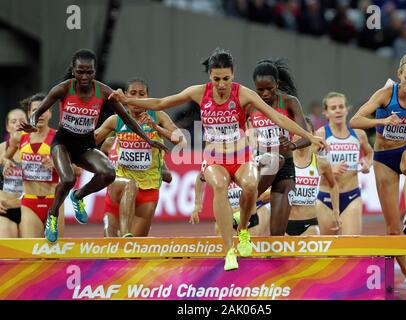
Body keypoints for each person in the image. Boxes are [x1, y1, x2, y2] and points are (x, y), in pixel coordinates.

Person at [109, 48, 327, 271]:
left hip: (241, 155)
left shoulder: (243, 94)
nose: (221, 84)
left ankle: (243, 230)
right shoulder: (198, 92)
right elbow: (161, 102)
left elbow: (278, 118)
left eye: (226, 79)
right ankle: (228, 251)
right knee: (220, 186)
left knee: (251, 185)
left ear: (233, 75)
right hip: (215, 157)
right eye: (216, 79)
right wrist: (125, 99)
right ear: (209, 77)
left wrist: (309, 136)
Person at [18, 49, 166, 243]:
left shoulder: (103, 92)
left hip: (85, 146)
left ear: (95, 71)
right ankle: (52, 216)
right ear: (73, 70)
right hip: (62, 143)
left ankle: (78, 196)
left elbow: (127, 118)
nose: (85, 76)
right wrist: (32, 121)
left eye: (89, 72)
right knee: (69, 178)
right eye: (81, 71)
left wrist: (147, 139)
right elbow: (39, 111)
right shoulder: (63, 88)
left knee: (108, 173)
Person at [349, 52, 406, 299]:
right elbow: (355, 120)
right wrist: (382, 122)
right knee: (392, 230)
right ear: (400, 75)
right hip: (384, 158)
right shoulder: (385, 96)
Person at [95, 78, 185, 237]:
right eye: (133, 93)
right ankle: (124, 235)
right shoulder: (116, 120)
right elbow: (89, 143)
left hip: (148, 190)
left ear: (148, 97)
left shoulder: (158, 116)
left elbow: (182, 141)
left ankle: (128, 239)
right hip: (121, 184)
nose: (137, 98)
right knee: (112, 247)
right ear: (126, 96)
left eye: (142, 94)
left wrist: (156, 128)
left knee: (135, 252)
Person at [249, 58, 312, 236]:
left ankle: (247, 205)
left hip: (286, 172)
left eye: (270, 88)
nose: (265, 93)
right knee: (276, 159)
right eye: (260, 90)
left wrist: (292, 144)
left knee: (277, 235)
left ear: (277, 84)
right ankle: (248, 203)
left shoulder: (289, 102)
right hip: (262, 167)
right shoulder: (250, 105)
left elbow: (307, 138)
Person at [3, 93, 65, 237]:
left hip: (54, 202)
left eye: (44, 110)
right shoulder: (19, 136)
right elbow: (7, 156)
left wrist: (56, 164)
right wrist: (7, 162)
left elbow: (77, 170)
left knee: (54, 254)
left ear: (50, 113)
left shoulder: (59, 138)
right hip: (30, 203)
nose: (40, 114)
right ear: (29, 113)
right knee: (32, 252)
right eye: (36, 110)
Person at [315, 92, 373, 235]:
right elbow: (307, 162)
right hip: (325, 198)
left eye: (341, 106)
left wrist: (367, 163)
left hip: (351, 196)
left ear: (347, 109)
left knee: (351, 247)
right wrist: (328, 169)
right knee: (328, 249)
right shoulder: (320, 135)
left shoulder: (358, 134)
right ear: (326, 113)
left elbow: (370, 153)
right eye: (333, 108)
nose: (338, 110)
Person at [287, 117, 340, 236]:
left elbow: (333, 185)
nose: (301, 136)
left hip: (310, 223)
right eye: (298, 132)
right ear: (292, 135)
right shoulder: (284, 161)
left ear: (313, 135)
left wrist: (336, 211)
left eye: (305, 132)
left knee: (309, 255)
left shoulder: (322, 163)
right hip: (284, 222)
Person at [190, 167, 271, 237]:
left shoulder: (250, 162)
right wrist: (197, 205)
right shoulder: (216, 163)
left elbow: (268, 191)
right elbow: (200, 177)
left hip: (251, 210)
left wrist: (252, 198)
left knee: (251, 244)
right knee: (225, 247)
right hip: (227, 212)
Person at [0, 108, 27, 237]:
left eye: (22, 121)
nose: (18, 124)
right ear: (7, 127)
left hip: (30, 209)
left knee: (30, 254)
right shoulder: (1, 149)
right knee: (9, 253)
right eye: (13, 121)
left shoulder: (38, 149)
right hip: (4, 208)